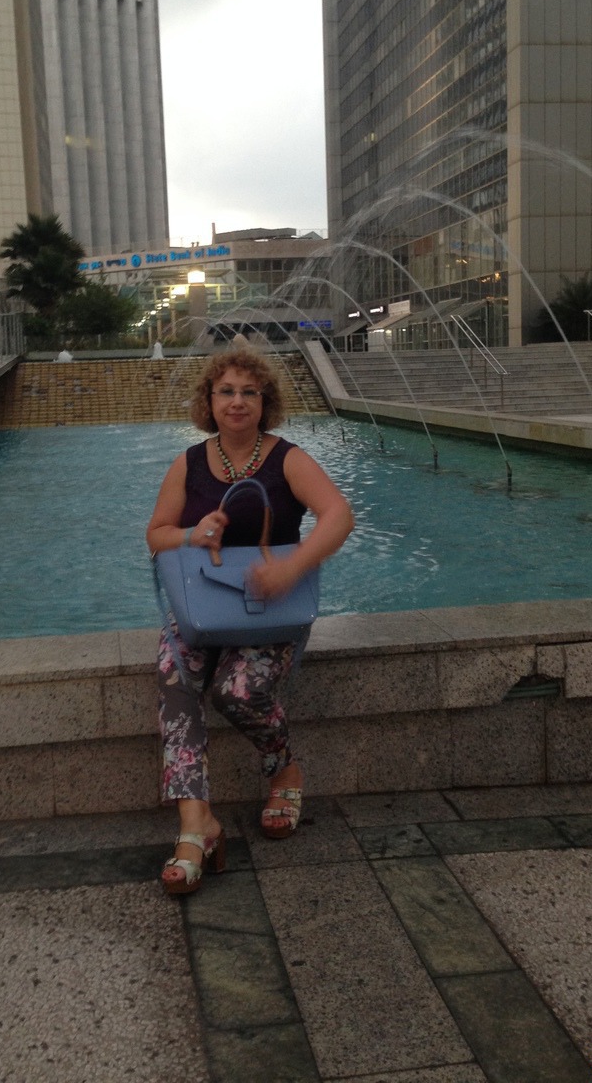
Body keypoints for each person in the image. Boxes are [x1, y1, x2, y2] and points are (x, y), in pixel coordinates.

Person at [146, 347, 354, 895]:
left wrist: (292, 567)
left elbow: (339, 516)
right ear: (209, 401)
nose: (237, 402)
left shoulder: (288, 459)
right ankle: (196, 825)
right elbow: (156, 534)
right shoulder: (189, 463)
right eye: (226, 391)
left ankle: (283, 767)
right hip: (202, 610)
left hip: (270, 609)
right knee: (175, 674)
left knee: (237, 691)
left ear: (265, 402)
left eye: (248, 392)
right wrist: (192, 533)